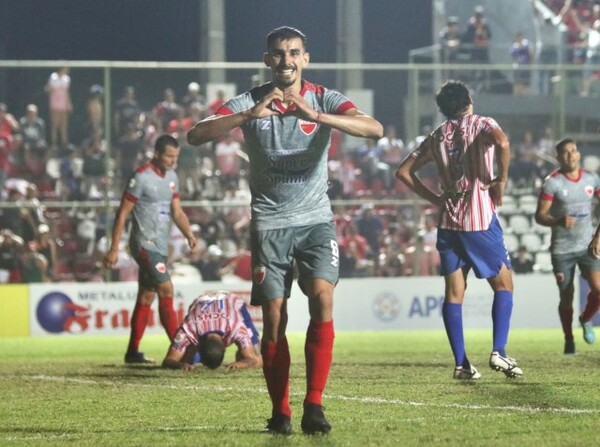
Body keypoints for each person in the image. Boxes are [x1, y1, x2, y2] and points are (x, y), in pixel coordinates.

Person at [186, 26, 383, 435]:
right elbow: (196, 134)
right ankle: (281, 411)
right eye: (278, 53)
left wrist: (317, 117)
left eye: (294, 53)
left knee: (322, 299)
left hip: (315, 221)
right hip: (270, 224)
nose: (286, 60)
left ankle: (314, 405)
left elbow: (374, 128)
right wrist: (246, 117)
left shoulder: (324, 98)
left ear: (305, 59)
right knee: (274, 318)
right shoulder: (250, 101)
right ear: (267, 60)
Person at [395, 80, 522, 381]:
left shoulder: (436, 135)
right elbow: (502, 143)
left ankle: (462, 364)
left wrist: (435, 199)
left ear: (442, 109)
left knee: (454, 293)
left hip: (448, 222)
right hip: (478, 220)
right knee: (504, 285)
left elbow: (403, 171)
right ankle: (499, 351)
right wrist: (501, 179)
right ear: (469, 100)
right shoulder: (482, 124)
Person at [103, 134, 197, 364]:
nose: (172, 161)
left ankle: (132, 352)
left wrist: (189, 234)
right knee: (166, 288)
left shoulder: (172, 177)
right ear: (156, 153)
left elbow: (177, 211)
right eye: (168, 156)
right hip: (144, 243)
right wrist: (114, 248)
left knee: (146, 295)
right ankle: (180, 350)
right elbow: (123, 212)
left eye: (175, 156)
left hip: (161, 245)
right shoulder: (141, 177)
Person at [535, 138, 600, 354]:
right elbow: (540, 216)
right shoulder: (552, 182)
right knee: (566, 296)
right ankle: (569, 339)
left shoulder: (592, 179)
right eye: (565, 152)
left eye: (573, 151)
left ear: (579, 154)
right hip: (562, 250)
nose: (570, 155)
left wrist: (597, 238)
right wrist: (558, 220)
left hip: (587, 245)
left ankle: (585, 318)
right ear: (558, 157)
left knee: (599, 290)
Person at [162, 290, 261, 370]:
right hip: (202, 301)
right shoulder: (189, 329)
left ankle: (198, 358)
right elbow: (169, 361)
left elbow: (253, 359)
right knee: (186, 360)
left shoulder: (235, 327)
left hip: (232, 302)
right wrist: (181, 364)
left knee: (258, 359)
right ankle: (197, 358)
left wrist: (239, 364)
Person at [45, 66, 72, 149]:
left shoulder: (67, 79)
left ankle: (64, 143)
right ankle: (54, 143)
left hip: (63, 103)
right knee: (55, 124)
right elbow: (47, 89)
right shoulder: (53, 77)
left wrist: (69, 103)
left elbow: (67, 92)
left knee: (64, 125)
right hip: (55, 103)